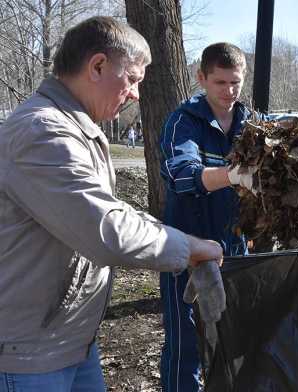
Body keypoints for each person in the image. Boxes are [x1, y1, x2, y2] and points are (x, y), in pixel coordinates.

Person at [0, 16, 225, 392]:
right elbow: (106, 229)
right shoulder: (42, 132)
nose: (136, 93)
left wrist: (179, 239)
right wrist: (189, 248)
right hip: (29, 355)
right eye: (133, 79)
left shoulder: (76, 128)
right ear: (98, 66)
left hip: (72, 343)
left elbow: (111, 209)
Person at [158, 42, 255, 392]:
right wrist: (230, 175)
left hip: (234, 249)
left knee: (232, 337)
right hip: (187, 251)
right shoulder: (183, 122)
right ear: (202, 78)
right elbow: (183, 174)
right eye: (220, 83)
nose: (229, 92)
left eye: (236, 83)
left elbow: (288, 134)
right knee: (185, 344)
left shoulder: (250, 122)